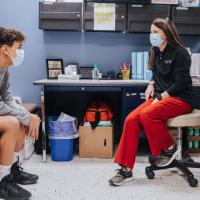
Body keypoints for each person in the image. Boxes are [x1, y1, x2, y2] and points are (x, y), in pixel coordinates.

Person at [109, 18, 193, 186]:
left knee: (147, 114)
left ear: (166, 33)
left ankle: (169, 149)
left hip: (181, 98)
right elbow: (157, 73)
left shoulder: (180, 52)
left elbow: (180, 83)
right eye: (151, 31)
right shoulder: (154, 50)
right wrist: (151, 84)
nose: (151, 35)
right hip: (161, 97)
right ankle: (125, 169)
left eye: (155, 32)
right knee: (131, 119)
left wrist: (161, 97)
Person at [0, 27, 41, 199]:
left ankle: (13, 171)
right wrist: (26, 116)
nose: (21, 52)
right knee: (13, 122)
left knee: (23, 119)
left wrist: (29, 116)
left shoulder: (4, 71)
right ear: (5, 49)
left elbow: (7, 99)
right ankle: (2, 183)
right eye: (19, 47)